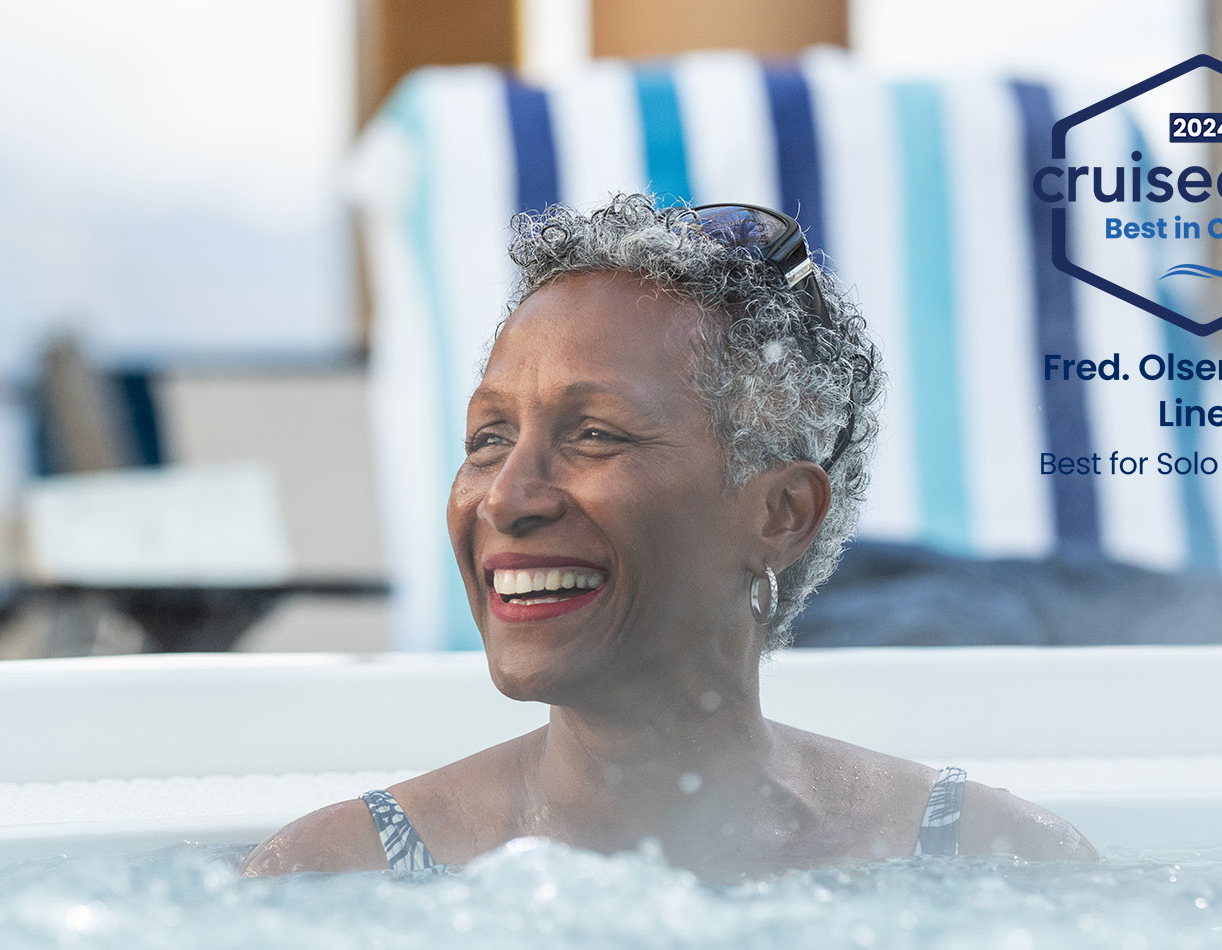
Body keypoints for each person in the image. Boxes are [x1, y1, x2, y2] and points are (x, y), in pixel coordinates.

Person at [244, 195, 1093, 878]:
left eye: (595, 435)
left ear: (782, 514)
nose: (508, 497)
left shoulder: (994, 863)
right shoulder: (333, 878)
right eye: (488, 439)